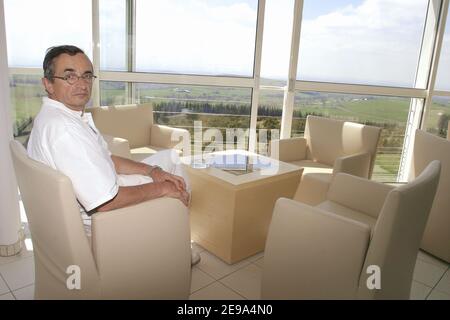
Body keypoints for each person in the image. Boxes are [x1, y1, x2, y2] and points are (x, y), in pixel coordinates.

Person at [27, 45, 200, 265]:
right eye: (69, 76)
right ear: (48, 84)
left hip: (98, 187)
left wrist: (152, 171)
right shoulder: (64, 130)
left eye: (87, 75)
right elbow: (106, 203)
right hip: (99, 217)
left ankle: (176, 239)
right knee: (177, 183)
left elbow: (107, 158)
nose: (82, 84)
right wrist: (162, 187)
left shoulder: (68, 116)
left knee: (170, 158)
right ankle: (177, 249)